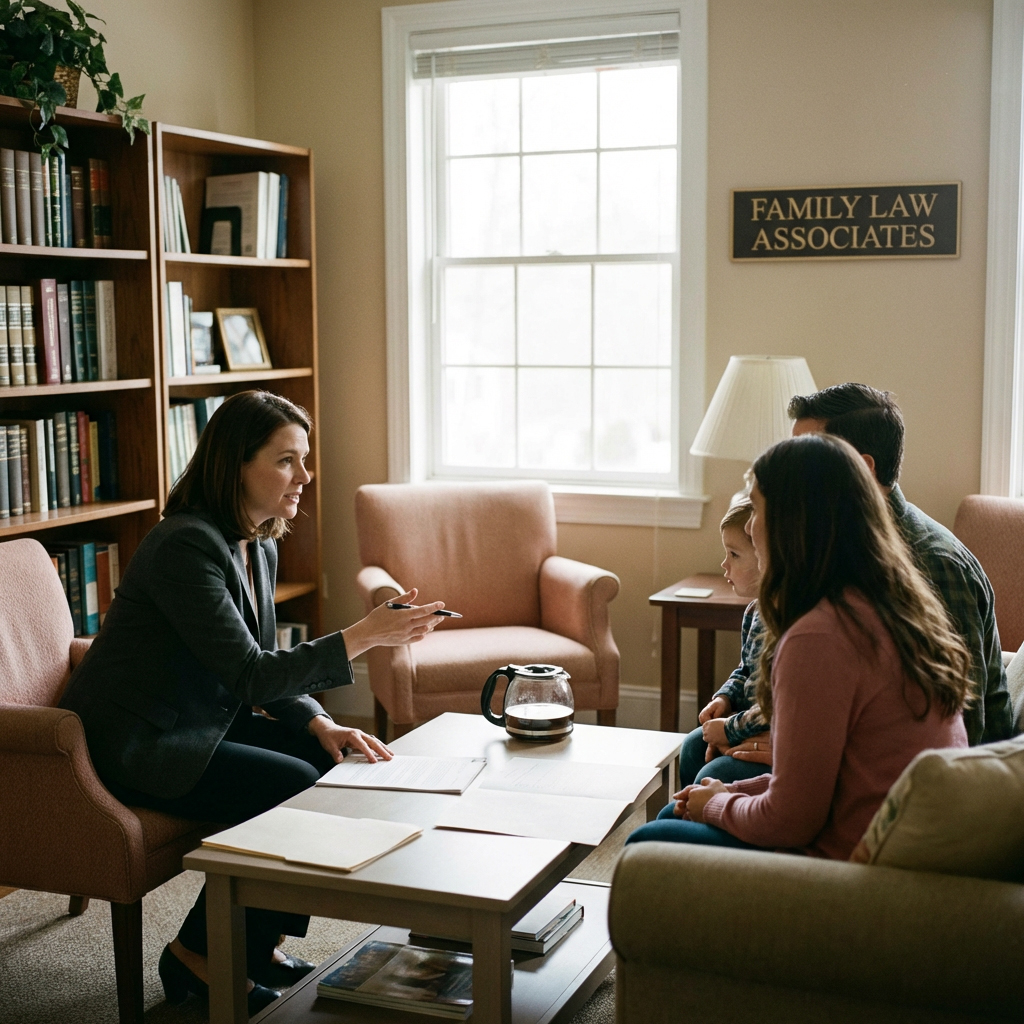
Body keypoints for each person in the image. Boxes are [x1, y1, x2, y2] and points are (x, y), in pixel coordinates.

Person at [60, 391, 444, 1017]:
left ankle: (256, 943)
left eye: (304, 460)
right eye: (287, 460)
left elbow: (261, 664)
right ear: (237, 463)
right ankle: (195, 953)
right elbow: (248, 674)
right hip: (138, 741)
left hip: (201, 720)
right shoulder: (184, 546)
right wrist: (364, 635)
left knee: (334, 767)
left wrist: (320, 721)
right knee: (290, 786)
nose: (306, 476)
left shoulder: (258, 540)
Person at [626, 432, 970, 856]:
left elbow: (791, 822)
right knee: (681, 809)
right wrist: (728, 791)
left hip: (845, 865)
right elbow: (823, 783)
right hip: (880, 833)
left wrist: (717, 803)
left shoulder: (819, 637)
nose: (750, 526)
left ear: (791, 524)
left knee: (646, 846)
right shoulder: (890, 604)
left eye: (758, 509)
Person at [788, 383, 1014, 745]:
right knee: (698, 748)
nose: (789, 475)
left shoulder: (934, 565)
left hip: (930, 777)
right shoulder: (839, 544)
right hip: (852, 740)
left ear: (862, 470)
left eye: (805, 460)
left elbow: (963, 728)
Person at [678, 500, 771, 787]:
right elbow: (744, 669)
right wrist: (724, 698)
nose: (724, 564)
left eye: (734, 554)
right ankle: (688, 813)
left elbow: (775, 707)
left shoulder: (791, 624)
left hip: (770, 727)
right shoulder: (754, 613)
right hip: (748, 719)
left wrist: (729, 730)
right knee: (692, 745)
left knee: (710, 772)